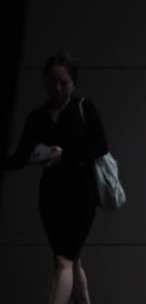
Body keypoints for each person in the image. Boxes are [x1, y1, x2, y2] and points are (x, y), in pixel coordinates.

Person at [3, 53, 108, 304]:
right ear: (45, 81)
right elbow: (18, 158)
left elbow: (100, 146)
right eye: (52, 82)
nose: (57, 88)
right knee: (70, 259)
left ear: (73, 83)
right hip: (51, 196)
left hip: (81, 194)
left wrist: (65, 155)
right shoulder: (36, 117)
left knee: (64, 260)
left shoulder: (84, 107)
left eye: (64, 82)